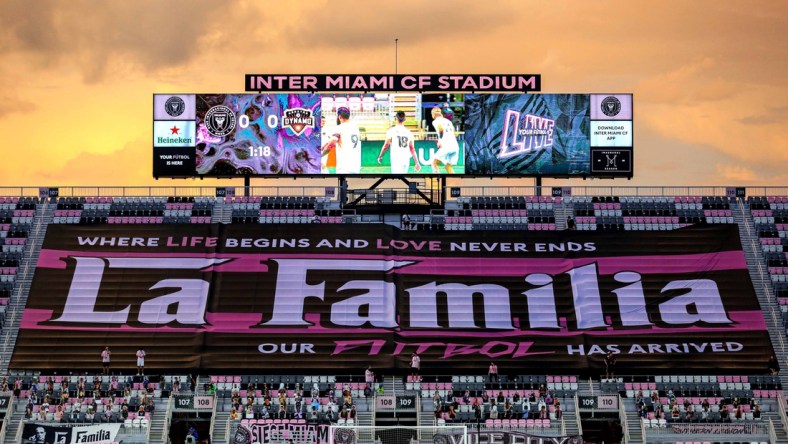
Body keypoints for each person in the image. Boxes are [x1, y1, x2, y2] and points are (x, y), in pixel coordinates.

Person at [321, 107, 361, 174]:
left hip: (344, 166)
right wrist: (326, 143)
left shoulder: (339, 128)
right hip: (356, 166)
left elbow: (331, 145)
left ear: (339, 116)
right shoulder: (356, 128)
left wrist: (320, 156)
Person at [430, 106, 460, 174]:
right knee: (448, 167)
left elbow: (441, 129)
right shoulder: (449, 121)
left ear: (433, 114)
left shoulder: (435, 121)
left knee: (433, 163)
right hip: (455, 146)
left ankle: (437, 181)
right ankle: (455, 183)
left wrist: (439, 141)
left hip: (446, 146)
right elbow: (455, 134)